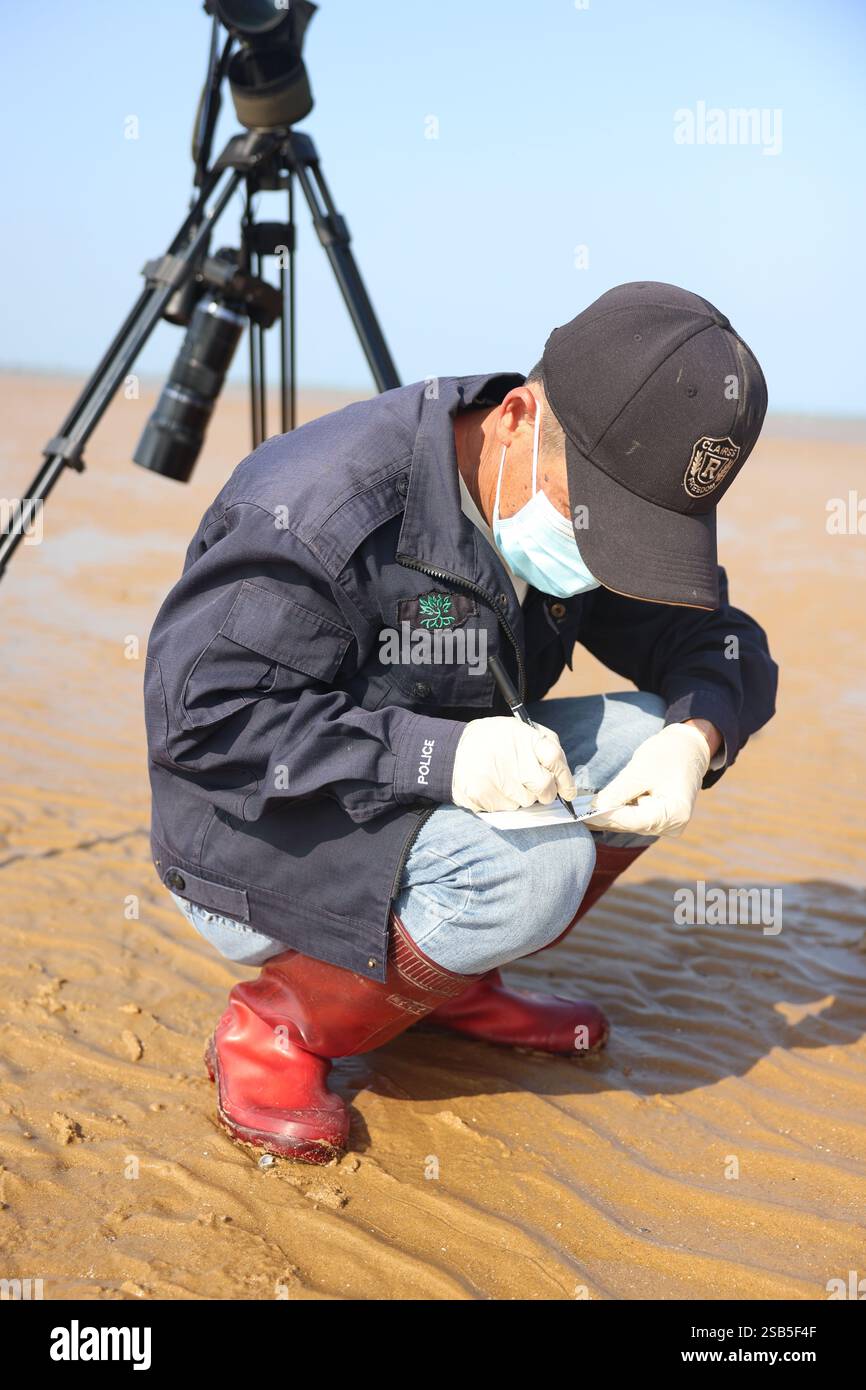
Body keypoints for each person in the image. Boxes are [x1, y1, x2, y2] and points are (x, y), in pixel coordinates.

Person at [144, 281, 777, 1163]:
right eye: (598, 521)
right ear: (517, 418)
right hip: (259, 834)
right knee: (536, 869)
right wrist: (439, 755)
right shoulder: (319, 509)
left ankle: (447, 981)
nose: (604, 558)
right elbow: (200, 722)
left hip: (416, 793)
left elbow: (725, 647)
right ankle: (279, 1025)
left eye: (637, 535)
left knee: (643, 735)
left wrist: (695, 737)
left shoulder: (572, 513)